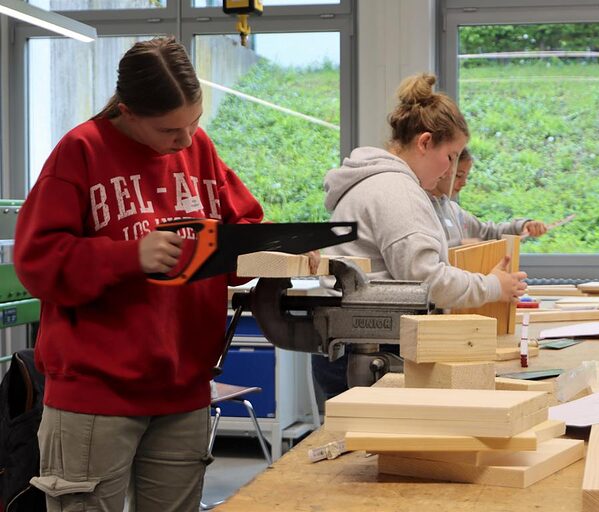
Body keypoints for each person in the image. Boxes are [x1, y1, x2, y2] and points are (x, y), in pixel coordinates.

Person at [13, 36, 265, 512]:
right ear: (128, 112)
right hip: (94, 400)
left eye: (195, 121)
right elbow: (36, 262)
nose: (186, 140)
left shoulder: (197, 149)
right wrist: (128, 257)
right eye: (171, 130)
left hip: (184, 391)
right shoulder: (80, 152)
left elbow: (243, 227)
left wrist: (280, 254)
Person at [313, 73, 528, 399]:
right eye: (451, 156)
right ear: (425, 142)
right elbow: (427, 282)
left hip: (352, 345)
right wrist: (493, 286)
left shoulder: (377, 182)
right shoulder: (396, 190)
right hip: (367, 352)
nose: (451, 170)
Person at [428, 147, 548, 247]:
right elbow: (421, 252)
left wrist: (522, 226)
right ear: (442, 169)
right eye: (458, 176)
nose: (464, 183)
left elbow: (488, 233)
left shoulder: (454, 211)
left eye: (466, 177)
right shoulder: (420, 208)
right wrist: (458, 245)